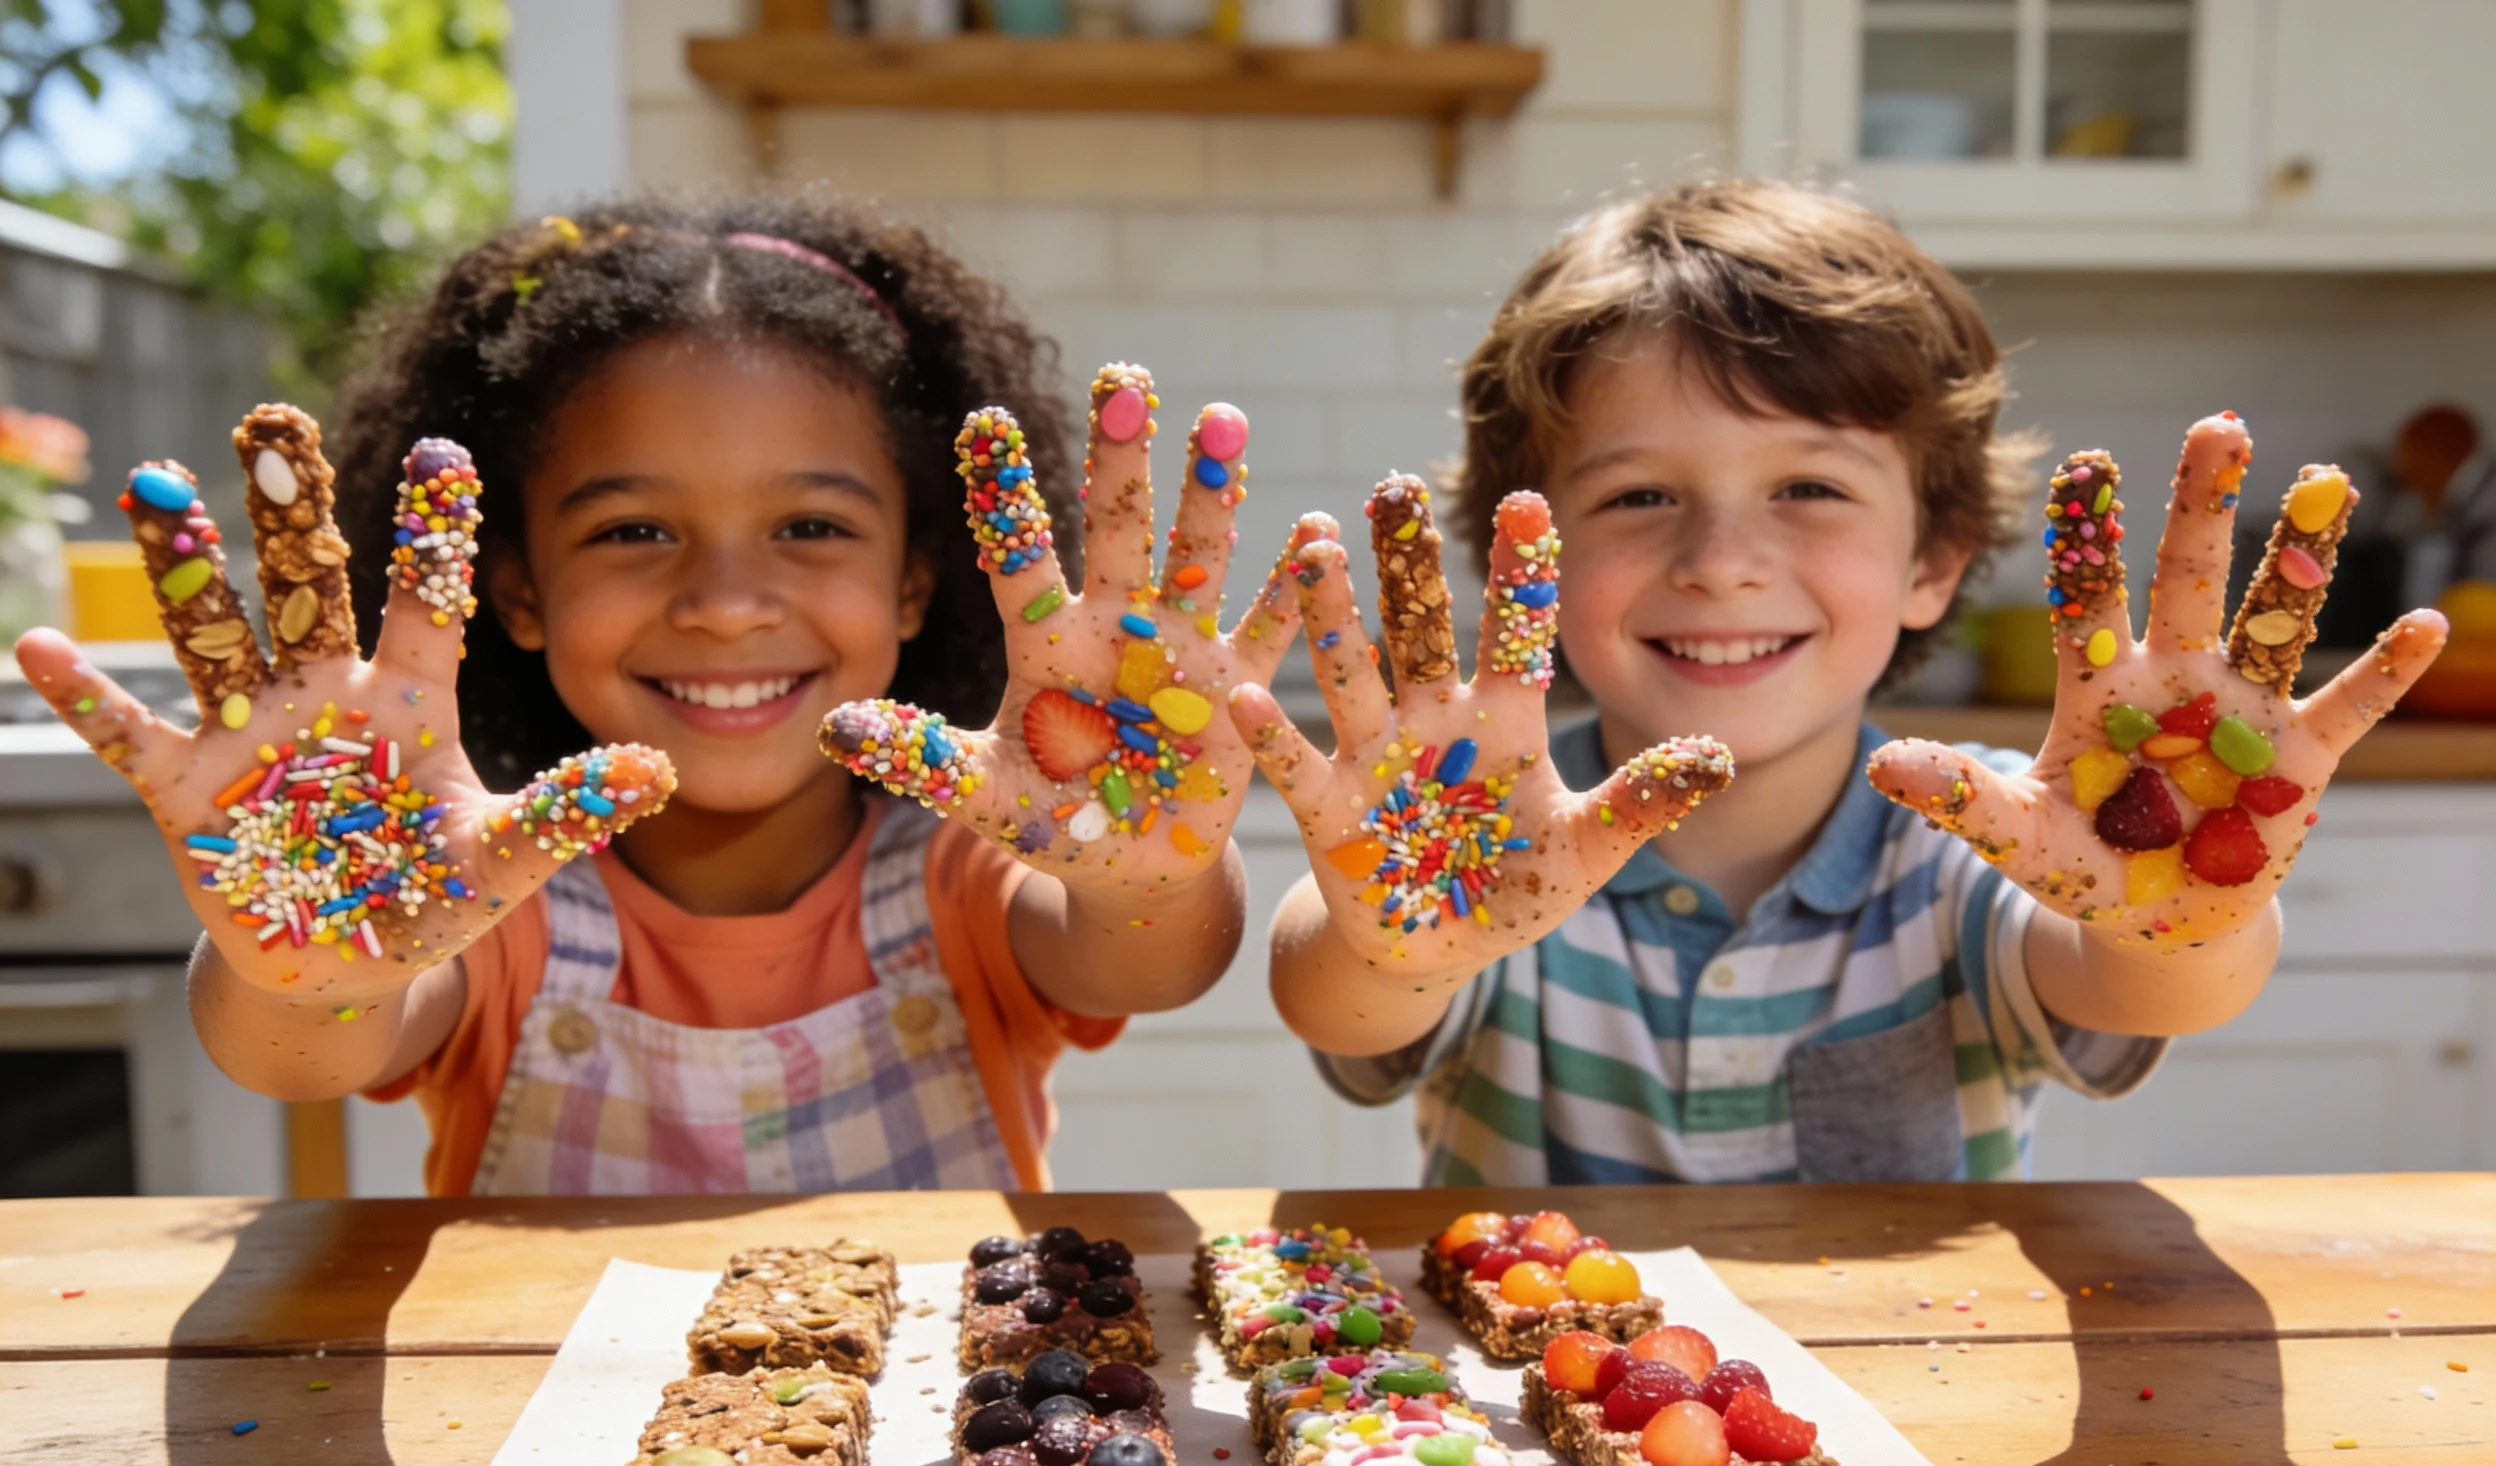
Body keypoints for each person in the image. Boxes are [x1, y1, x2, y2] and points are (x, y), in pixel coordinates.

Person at [15, 193, 1297, 1195]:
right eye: (633, 531)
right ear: (515, 590)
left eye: (809, 525)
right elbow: (303, 1052)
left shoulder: (976, 874)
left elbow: (1149, 961)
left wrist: (1146, 876)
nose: (728, 600)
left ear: (916, 584)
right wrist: (303, 974)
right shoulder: (479, 889)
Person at [1231, 180, 2449, 1186]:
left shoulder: (1999, 840)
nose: (1720, 565)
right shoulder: (1474, 839)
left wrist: (2188, 912)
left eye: (1808, 489)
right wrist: (1393, 946)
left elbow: (2147, 982)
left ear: (1933, 559)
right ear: (1527, 565)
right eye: (1639, 495)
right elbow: (1336, 1003)